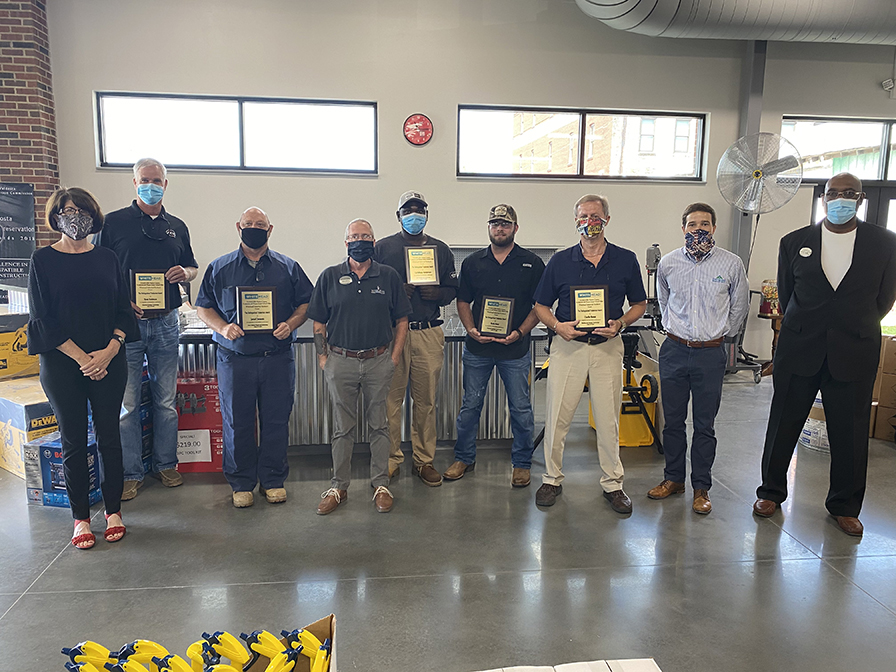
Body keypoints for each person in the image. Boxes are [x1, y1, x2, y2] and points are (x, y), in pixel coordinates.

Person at [753, 173, 896, 536]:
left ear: (861, 199)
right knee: (783, 423)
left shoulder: (885, 244)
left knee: (850, 431)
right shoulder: (794, 242)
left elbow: (884, 300)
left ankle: (845, 505)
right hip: (800, 348)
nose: (840, 199)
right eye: (833, 193)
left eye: (849, 193)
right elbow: (787, 298)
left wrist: (849, 324)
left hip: (854, 349)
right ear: (823, 199)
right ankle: (770, 492)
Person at [27, 187, 138, 549]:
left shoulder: (107, 258)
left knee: (110, 438)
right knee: (73, 440)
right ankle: (80, 519)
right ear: (56, 216)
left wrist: (108, 351)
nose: (75, 216)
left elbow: (124, 310)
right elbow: (42, 320)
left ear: (94, 216)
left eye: (82, 210)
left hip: (109, 360)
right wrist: (84, 359)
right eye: (67, 210)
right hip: (63, 365)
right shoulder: (42, 260)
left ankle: (114, 511)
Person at [532, 194, 647, 512]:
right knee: (557, 416)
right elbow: (540, 305)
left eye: (596, 216)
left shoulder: (625, 259)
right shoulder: (560, 261)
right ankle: (551, 479)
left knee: (609, 419)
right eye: (583, 216)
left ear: (607, 219)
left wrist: (621, 322)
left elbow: (639, 303)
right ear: (575, 222)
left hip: (608, 348)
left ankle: (613, 484)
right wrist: (558, 326)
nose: (589, 222)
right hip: (568, 347)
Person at [195, 207, 313, 507]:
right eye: (249, 224)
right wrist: (223, 327)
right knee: (237, 422)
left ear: (270, 229)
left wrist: (291, 324)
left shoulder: (288, 267)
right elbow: (203, 307)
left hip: (277, 357)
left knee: (276, 420)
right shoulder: (219, 267)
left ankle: (273, 480)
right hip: (235, 359)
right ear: (238, 227)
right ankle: (242, 483)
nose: (254, 228)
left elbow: (305, 304)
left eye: (260, 224)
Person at [99, 158, 198, 500]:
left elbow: (192, 266)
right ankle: (130, 473)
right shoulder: (113, 223)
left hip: (167, 322)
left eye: (157, 180)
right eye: (145, 179)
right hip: (126, 326)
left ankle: (166, 464)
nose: (151, 185)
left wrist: (186, 274)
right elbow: (99, 270)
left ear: (166, 184)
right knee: (126, 405)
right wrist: (121, 303)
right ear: (134, 182)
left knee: (166, 401)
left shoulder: (177, 226)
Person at [647, 203, 749, 515]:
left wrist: (718, 335)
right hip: (675, 351)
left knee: (705, 425)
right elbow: (663, 301)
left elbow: (739, 306)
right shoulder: (668, 263)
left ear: (714, 228)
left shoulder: (731, 264)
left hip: (710, 354)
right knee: (673, 422)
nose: (698, 229)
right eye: (692, 224)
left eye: (705, 223)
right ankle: (673, 479)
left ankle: (701, 487)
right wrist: (677, 330)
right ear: (683, 229)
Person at [308, 219, 412, 515]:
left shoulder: (388, 276)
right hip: (340, 361)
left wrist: (394, 357)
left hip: (379, 361)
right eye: (355, 236)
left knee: (381, 425)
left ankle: (380, 485)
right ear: (346, 242)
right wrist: (322, 358)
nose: (360, 240)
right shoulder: (329, 276)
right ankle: (339, 486)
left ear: (374, 241)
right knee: (343, 428)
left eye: (365, 236)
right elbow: (318, 321)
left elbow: (402, 320)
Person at [443, 204, 545, 487]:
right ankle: (464, 458)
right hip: (478, 349)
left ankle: (522, 463)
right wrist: (471, 329)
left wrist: (521, 332)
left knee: (521, 408)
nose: (500, 228)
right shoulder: (473, 262)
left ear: (515, 228)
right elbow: (463, 301)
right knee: (470, 406)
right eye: (495, 224)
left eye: (505, 224)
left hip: (515, 350)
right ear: (488, 227)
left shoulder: (533, 263)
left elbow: (540, 306)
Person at [374, 191, 458, 487]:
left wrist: (440, 294)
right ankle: (391, 459)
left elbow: (453, 287)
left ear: (427, 215)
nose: (414, 215)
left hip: (427, 333)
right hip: (392, 335)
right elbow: (370, 289)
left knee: (426, 402)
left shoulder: (441, 248)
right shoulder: (382, 248)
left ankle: (424, 461)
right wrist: (395, 294)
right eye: (408, 210)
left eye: (419, 210)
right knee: (390, 401)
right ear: (398, 216)